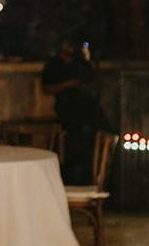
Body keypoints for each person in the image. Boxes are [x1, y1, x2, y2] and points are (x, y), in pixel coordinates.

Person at [40, 39, 114, 184]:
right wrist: (68, 84)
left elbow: (91, 78)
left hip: (87, 107)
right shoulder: (54, 64)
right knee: (75, 144)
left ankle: (101, 178)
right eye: (68, 44)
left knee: (101, 134)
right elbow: (46, 88)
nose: (71, 48)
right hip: (68, 109)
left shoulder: (79, 62)